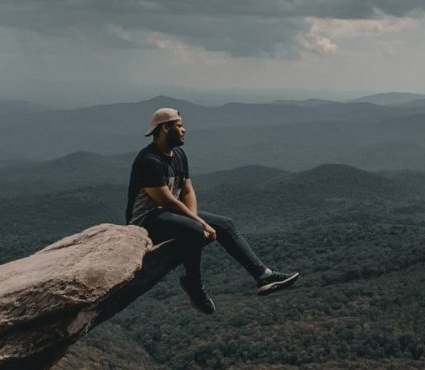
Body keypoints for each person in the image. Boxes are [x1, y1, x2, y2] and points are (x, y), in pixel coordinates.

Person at [125, 107, 299, 314]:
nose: (184, 130)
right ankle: (194, 285)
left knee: (226, 224)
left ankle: (263, 276)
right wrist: (199, 224)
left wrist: (195, 217)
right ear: (164, 128)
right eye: (179, 126)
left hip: (168, 214)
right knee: (195, 231)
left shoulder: (178, 155)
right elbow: (167, 200)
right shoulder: (149, 160)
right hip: (146, 221)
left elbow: (187, 191)